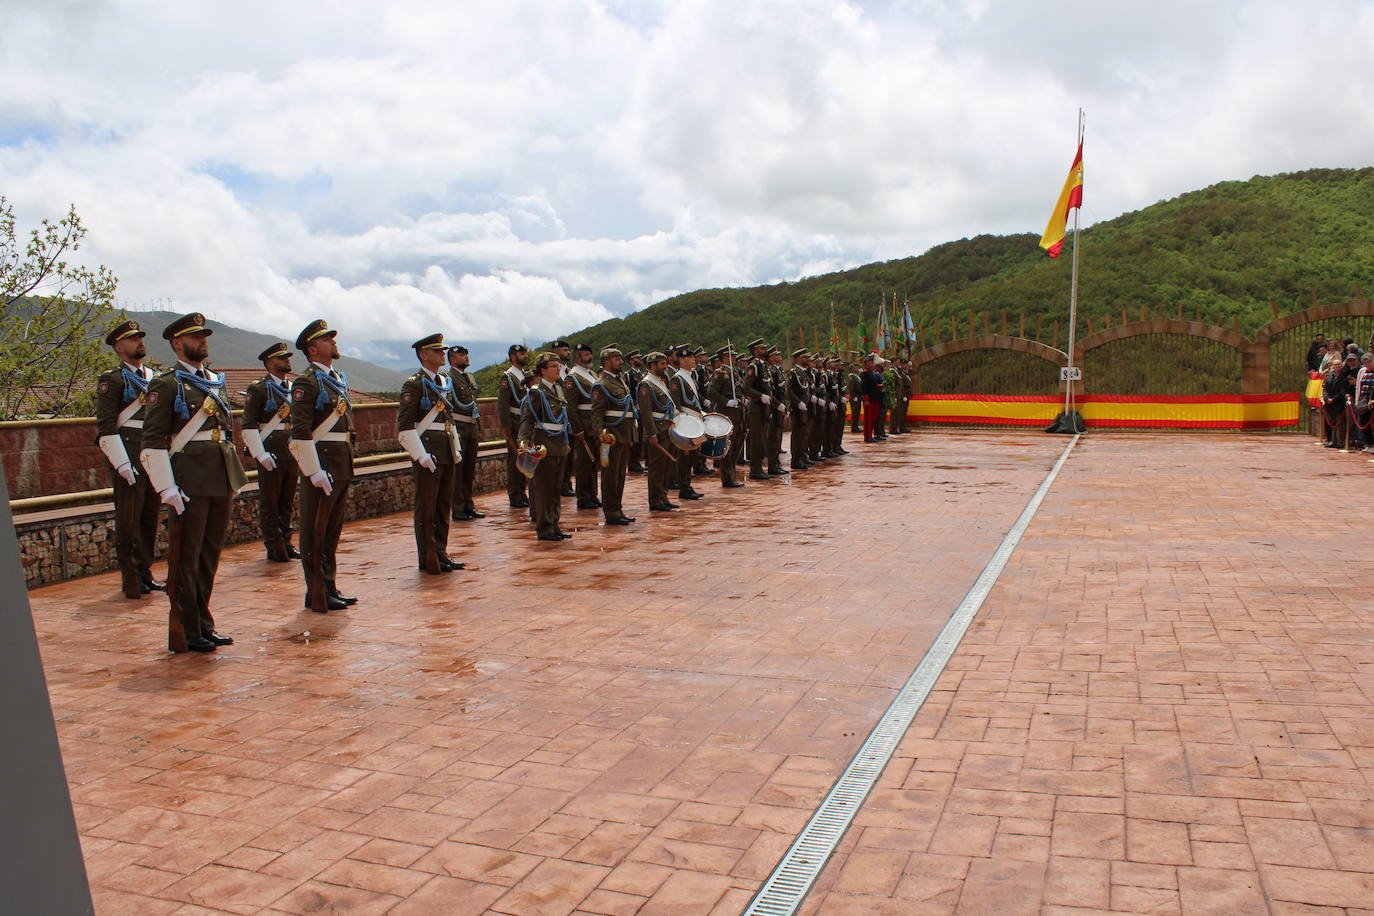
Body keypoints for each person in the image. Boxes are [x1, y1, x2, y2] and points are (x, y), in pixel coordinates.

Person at [139, 313, 246, 652]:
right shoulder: (166, 384)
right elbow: (152, 440)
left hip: (219, 475)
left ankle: (203, 621)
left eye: (204, 337)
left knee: (209, 555)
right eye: (195, 337)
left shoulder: (215, 381)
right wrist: (166, 487)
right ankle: (186, 629)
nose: (203, 342)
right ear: (177, 343)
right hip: (188, 480)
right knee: (186, 557)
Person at [289, 319, 358, 613]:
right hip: (323, 464)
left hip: (340, 461)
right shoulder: (307, 381)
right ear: (313, 348)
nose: (334, 342)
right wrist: (313, 470)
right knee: (315, 532)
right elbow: (300, 431)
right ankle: (315, 590)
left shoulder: (334, 379)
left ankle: (329, 584)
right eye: (327, 339)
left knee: (331, 532)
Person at [95, 318, 163, 599]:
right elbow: (106, 426)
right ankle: (131, 578)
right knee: (129, 519)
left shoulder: (154, 378)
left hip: (152, 453)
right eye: (133, 340)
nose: (140, 343)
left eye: (140, 338)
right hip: (129, 453)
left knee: (149, 517)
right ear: (119, 347)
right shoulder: (112, 379)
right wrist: (122, 463)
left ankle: (145, 572)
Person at [397, 334, 464, 574]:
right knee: (426, 508)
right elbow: (405, 426)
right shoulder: (414, 384)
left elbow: (448, 419)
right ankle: (428, 556)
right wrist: (420, 455)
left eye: (442, 350)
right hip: (427, 453)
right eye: (436, 351)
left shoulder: (443, 382)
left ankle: (441, 551)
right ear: (423, 355)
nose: (442, 354)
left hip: (444, 450)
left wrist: (454, 446)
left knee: (443, 505)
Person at [242, 342, 300, 563]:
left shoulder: (293, 388)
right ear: (269, 363)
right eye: (281, 358)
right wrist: (259, 453)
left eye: (287, 357)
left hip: (291, 449)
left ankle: (287, 541)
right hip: (271, 450)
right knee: (270, 500)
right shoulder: (258, 388)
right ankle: (274, 546)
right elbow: (249, 424)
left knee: (287, 500)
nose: (287, 360)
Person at [519, 351, 573, 540]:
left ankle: (554, 523)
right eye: (553, 366)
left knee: (556, 487)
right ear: (542, 371)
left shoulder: (558, 389)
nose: (558, 369)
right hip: (544, 443)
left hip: (559, 442)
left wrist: (566, 440)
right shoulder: (536, 392)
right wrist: (524, 442)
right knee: (544, 488)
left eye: (559, 366)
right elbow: (527, 418)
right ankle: (544, 527)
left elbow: (563, 417)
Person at [586, 346, 638, 524]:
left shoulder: (619, 380)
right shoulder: (601, 384)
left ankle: (618, 508)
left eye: (621, 358)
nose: (621, 362)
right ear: (607, 362)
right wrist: (600, 433)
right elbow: (597, 412)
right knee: (610, 476)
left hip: (624, 434)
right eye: (617, 359)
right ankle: (611, 512)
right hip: (611, 436)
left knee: (620, 475)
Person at [442, 345, 484, 522]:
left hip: (471, 427)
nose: (466, 357)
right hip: (458, 427)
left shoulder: (469, 377)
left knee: (469, 469)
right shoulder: (447, 378)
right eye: (461, 355)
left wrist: (478, 427)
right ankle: (457, 507)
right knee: (457, 470)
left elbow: (472, 403)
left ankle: (468, 503)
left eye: (466, 354)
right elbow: (447, 405)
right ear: (452, 359)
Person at [638, 351, 679, 510]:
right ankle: (655, 500)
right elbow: (646, 412)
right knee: (656, 468)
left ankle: (663, 496)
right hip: (657, 429)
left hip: (666, 428)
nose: (665, 366)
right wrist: (651, 433)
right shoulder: (646, 384)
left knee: (666, 466)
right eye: (662, 364)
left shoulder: (661, 382)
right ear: (652, 365)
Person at [564, 343, 602, 510]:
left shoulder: (591, 374)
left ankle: (592, 494)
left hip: (594, 423)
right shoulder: (572, 378)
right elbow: (570, 407)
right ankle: (583, 496)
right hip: (584, 425)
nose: (589, 357)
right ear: (578, 357)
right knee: (583, 463)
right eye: (586, 355)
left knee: (593, 462)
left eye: (589, 354)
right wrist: (577, 429)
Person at [667, 346, 706, 501]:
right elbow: (676, 405)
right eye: (690, 358)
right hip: (686, 423)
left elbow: (694, 400)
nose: (693, 360)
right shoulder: (677, 378)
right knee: (684, 456)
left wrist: (700, 412)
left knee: (691, 456)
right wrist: (682, 425)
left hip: (694, 420)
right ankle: (684, 487)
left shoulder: (690, 376)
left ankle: (687, 485)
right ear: (682, 359)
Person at [705, 346, 746, 488]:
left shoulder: (734, 372)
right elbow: (711, 392)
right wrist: (726, 401)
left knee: (736, 446)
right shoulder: (720, 372)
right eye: (731, 356)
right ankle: (728, 478)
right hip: (727, 413)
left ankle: (731, 475)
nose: (734, 358)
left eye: (734, 356)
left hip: (738, 413)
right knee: (728, 448)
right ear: (723, 358)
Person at [497, 344, 531, 508]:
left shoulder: (523, 375)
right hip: (515, 420)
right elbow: (503, 405)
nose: (524, 356)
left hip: (524, 420)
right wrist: (506, 426)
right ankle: (515, 495)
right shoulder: (508, 377)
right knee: (514, 458)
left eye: (525, 353)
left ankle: (522, 492)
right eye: (521, 354)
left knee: (524, 458)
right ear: (512, 356)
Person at [740, 339, 773, 480]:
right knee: (756, 440)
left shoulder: (763, 366)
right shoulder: (754, 366)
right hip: (756, 408)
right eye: (761, 347)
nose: (765, 349)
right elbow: (746, 388)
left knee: (762, 439)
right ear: (754, 351)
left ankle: (758, 468)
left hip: (764, 407)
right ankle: (755, 469)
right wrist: (760, 396)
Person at [788, 349, 814, 470]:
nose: (807, 360)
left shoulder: (804, 373)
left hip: (805, 407)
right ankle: (795, 460)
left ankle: (802, 457)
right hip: (797, 408)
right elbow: (789, 391)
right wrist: (798, 403)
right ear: (798, 358)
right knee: (797, 435)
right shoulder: (793, 373)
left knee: (803, 434)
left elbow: (806, 390)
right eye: (805, 357)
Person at [767, 347, 789, 474]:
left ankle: (775, 463)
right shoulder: (772, 371)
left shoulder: (778, 370)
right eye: (776, 355)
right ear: (771, 357)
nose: (780, 356)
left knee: (776, 437)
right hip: (774, 408)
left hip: (779, 406)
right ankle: (772, 465)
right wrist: (778, 404)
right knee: (773, 437)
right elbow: (771, 392)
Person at [860, 354, 885, 442]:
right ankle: (868, 436)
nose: (872, 363)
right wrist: (866, 399)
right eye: (870, 362)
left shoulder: (873, 373)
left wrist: (880, 386)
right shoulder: (865, 374)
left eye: (872, 362)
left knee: (873, 418)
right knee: (868, 419)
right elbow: (864, 387)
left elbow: (874, 386)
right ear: (866, 363)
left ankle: (871, 435)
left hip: (875, 398)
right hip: (869, 399)